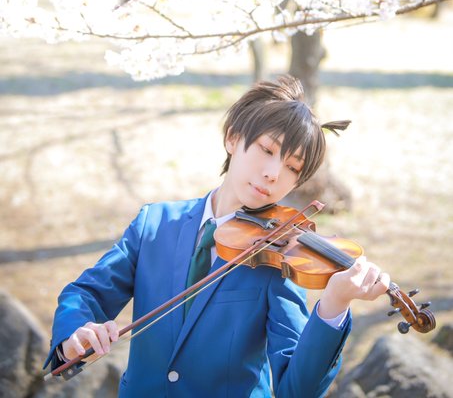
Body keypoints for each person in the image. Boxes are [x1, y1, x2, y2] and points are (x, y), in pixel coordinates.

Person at [43, 75, 389, 397]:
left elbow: (296, 389)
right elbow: (86, 293)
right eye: (268, 150)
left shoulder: (279, 260)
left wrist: (334, 305)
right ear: (232, 138)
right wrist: (74, 334)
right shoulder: (154, 224)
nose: (273, 173)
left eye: (292, 167)